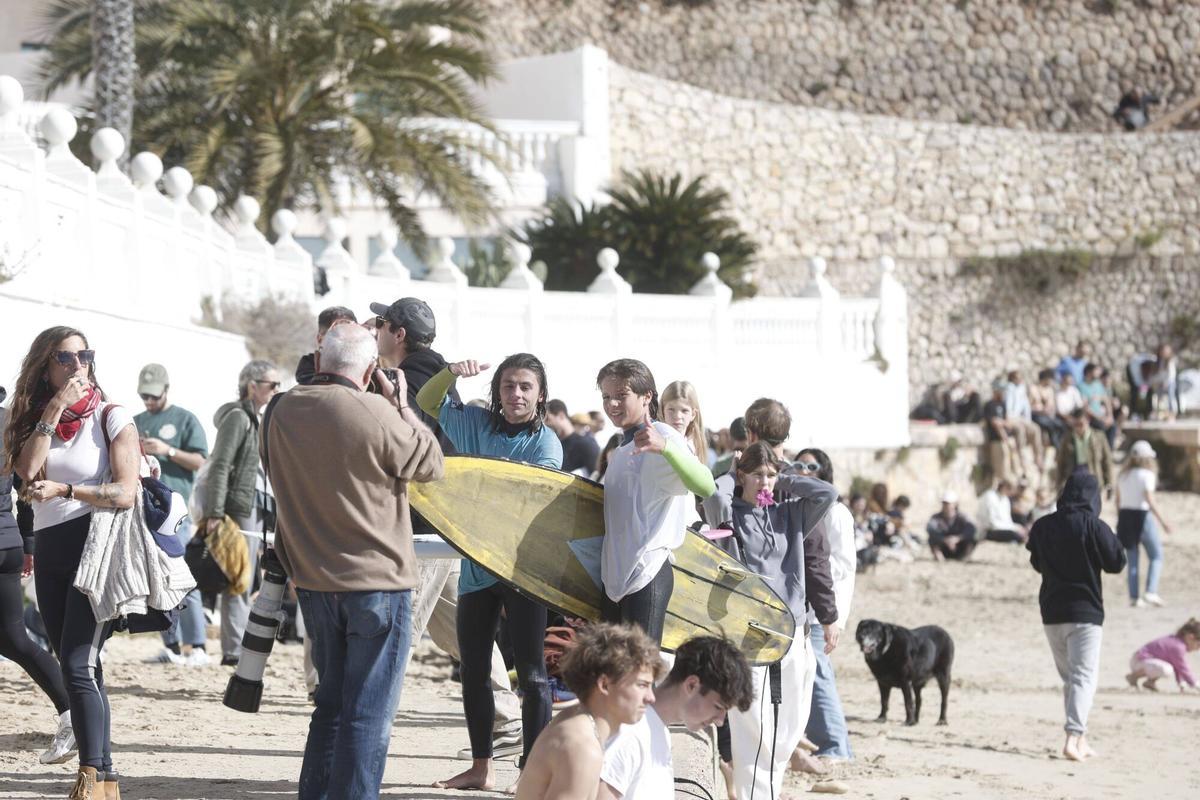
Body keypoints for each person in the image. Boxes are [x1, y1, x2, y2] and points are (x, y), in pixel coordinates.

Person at [264, 324, 443, 800]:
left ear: (320, 361)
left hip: (316, 581)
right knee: (368, 713)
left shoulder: (279, 409)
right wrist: (403, 403)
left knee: (331, 706)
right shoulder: (377, 410)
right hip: (376, 581)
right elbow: (430, 463)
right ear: (369, 370)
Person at [3, 326, 143, 798]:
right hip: (50, 547)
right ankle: (106, 777)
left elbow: (127, 492)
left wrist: (67, 490)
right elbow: (23, 473)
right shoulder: (38, 418)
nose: (78, 364)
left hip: (94, 545)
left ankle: (91, 775)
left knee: (81, 664)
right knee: (77, 664)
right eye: (66, 357)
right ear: (46, 365)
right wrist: (55, 407)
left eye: (86, 355)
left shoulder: (112, 415)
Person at [418, 354, 562, 791]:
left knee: (533, 677)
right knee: (475, 670)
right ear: (497, 392)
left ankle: (530, 778)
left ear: (540, 394)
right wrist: (450, 373)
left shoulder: (546, 444)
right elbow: (428, 400)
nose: (516, 394)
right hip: (478, 569)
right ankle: (482, 768)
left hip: (523, 571)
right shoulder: (478, 427)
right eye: (508, 386)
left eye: (525, 387)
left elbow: (528, 502)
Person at [707, 442, 837, 800]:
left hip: (794, 631)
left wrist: (784, 477)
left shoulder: (789, 513)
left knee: (789, 728)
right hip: (748, 632)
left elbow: (828, 493)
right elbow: (713, 495)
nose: (764, 481)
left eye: (769, 474)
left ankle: (767, 792)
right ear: (743, 475)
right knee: (753, 725)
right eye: (757, 474)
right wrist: (732, 476)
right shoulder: (729, 513)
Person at [595, 359, 716, 643]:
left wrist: (667, 449)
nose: (612, 404)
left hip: (646, 573)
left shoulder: (662, 435)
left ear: (647, 396)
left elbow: (706, 485)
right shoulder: (623, 445)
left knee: (641, 674)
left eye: (621, 395)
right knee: (615, 674)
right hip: (615, 578)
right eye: (606, 396)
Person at [1026, 468, 1126, 762]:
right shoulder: (1094, 526)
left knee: (1071, 678)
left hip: (1052, 610)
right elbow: (1116, 563)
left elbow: (1036, 562)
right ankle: (1072, 737)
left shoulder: (1043, 526)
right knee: (1083, 678)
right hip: (1086, 612)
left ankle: (1081, 739)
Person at [0, 387, 75, 766]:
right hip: (7, 542)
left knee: (14, 640)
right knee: (13, 640)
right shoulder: (9, 423)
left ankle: (74, 710)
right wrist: (27, 541)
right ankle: (72, 711)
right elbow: (27, 484)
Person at [515, 623, 663, 800]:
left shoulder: (578, 722)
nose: (651, 698)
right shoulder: (582, 747)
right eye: (642, 685)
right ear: (604, 684)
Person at [598, 635, 754, 800]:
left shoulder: (656, 730)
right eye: (718, 707)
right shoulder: (630, 734)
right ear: (691, 685)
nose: (720, 721)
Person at [202, 359, 280, 666]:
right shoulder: (238, 417)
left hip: (257, 505)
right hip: (239, 506)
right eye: (272, 384)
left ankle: (238, 646)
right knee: (239, 577)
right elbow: (220, 464)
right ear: (252, 385)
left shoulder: (255, 418)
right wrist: (215, 512)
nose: (277, 390)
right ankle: (234, 650)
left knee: (250, 579)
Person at [132, 363, 210, 666]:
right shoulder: (134, 421)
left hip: (176, 512)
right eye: (144, 397)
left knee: (182, 579)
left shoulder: (185, 419)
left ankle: (198, 645)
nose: (149, 402)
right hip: (145, 512)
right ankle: (172, 645)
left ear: (166, 389)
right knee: (157, 581)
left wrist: (168, 450)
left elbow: (202, 462)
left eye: (153, 396)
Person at [794, 448, 856, 770]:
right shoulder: (799, 507)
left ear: (824, 471)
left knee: (819, 675)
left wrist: (834, 615)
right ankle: (836, 743)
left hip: (822, 607)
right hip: (808, 605)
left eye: (811, 466)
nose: (804, 471)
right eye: (798, 465)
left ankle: (834, 745)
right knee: (813, 673)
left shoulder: (836, 513)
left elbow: (842, 567)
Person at [1115, 441, 1172, 608]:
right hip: (1142, 515)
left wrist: (1120, 520)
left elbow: (1118, 501)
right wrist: (1163, 521)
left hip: (1125, 515)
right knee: (1156, 555)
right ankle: (1151, 591)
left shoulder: (1123, 475)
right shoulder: (1147, 475)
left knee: (1133, 559)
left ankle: (1134, 597)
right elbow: (1150, 500)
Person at [1126, 619, 1200, 692]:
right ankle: (1133, 677)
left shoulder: (1177, 642)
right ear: (1190, 637)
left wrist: (1181, 683)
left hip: (1145, 661)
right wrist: (1194, 683)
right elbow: (1183, 668)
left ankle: (1150, 682)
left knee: (1165, 667)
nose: (1198, 649)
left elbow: (1178, 666)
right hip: (1139, 661)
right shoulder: (1178, 647)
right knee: (1166, 669)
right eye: (1198, 645)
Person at [294, 306, 357, 385]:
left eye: (351, 333)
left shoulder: (364, 365)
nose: (346, 340)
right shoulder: (308, 369)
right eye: (338, 333)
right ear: (320, 339)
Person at [1056, 410, 1113, 495]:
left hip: (1093, 476)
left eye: (1081, 424)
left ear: (1088, 421)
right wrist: (1059, 484)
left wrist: (1109, 482)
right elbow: (1061, 462)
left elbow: (1107, 460)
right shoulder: (1067, 438)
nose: (1078, 428)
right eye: (1076, 425)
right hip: (1074, 477)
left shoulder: (1099, 437)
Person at [545, 399, 600, 477]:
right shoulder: (552, 446)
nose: (545, 424)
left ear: (561, 416)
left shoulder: (586, 445)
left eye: (547, 419)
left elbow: (598, 479)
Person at [983, 379, 1023, 482]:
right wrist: (1003, 430)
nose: (1003, 393)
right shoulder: (990, 405)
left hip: (1007, 438)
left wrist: (1003, 423)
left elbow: (1007, 422)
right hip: (997, 440)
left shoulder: (1003, 404)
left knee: (1014, 460)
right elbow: (994, 423)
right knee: (1002, 466)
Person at [1005, 370, 1044, 473]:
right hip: (1012, 417)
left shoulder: (1022, 389)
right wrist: (1009, 419)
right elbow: (1008, 405)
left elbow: (1025, 405)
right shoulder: (1009, 389)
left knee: (1036, 429)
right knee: (1020, 430)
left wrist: (1028, 419)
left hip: (1021, 417)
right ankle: (1021, 456)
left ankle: (1038, 457)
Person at [660, 380, 708, 463]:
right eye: (671, 409)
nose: (678, 416)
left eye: (684, 410)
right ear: (663, 410)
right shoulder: (655, 442)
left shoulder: (694, 448)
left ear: (693, 414)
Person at [926, 491, 978, 561]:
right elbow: (930, 529)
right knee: (932, 539)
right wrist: (945, 540)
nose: (946, 505)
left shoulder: (963, 517)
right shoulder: (936, 517)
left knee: (973, 537)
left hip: (959, 545)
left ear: (955, 504)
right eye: (944, 503)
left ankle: (965, 556)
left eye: (948, 503)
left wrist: (958, 538)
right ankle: (939, 556)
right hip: (944, 546)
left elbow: (971, 528)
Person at [1078, 363, 1117, 449]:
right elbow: (1085, 407)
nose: (1098, 373)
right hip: (1091, 418)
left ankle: (1108, 453)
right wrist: (1100, 418)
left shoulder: (1098, 384)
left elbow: (1106, 401)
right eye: (1096, 371)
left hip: (1101, 416)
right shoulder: (1081, 387)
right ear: (1089, 372)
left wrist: (1110, 416)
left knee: (1113, 426)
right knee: (1101, 427)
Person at [977, 480, 1029, 544]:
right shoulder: (989, 496)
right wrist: (1015, 528)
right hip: (988, 530)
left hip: (1002, 528)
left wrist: (1017, 527)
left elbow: (1007, 520)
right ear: (1004, 488)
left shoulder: (1005, 499)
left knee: (1022, 525)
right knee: (1013, 534)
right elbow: (992, 523)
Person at [1029, 369, 1065, 449]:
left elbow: (1051, 405)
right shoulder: (1033, 389)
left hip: (1047, 415)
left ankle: (1059, 445)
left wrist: (1048, 410)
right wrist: (1040, 410)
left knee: (1061, 425)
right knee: (1050, 426)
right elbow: (1029, 406)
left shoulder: (1050, 390)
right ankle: (1056, 446)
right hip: (1036, 415)